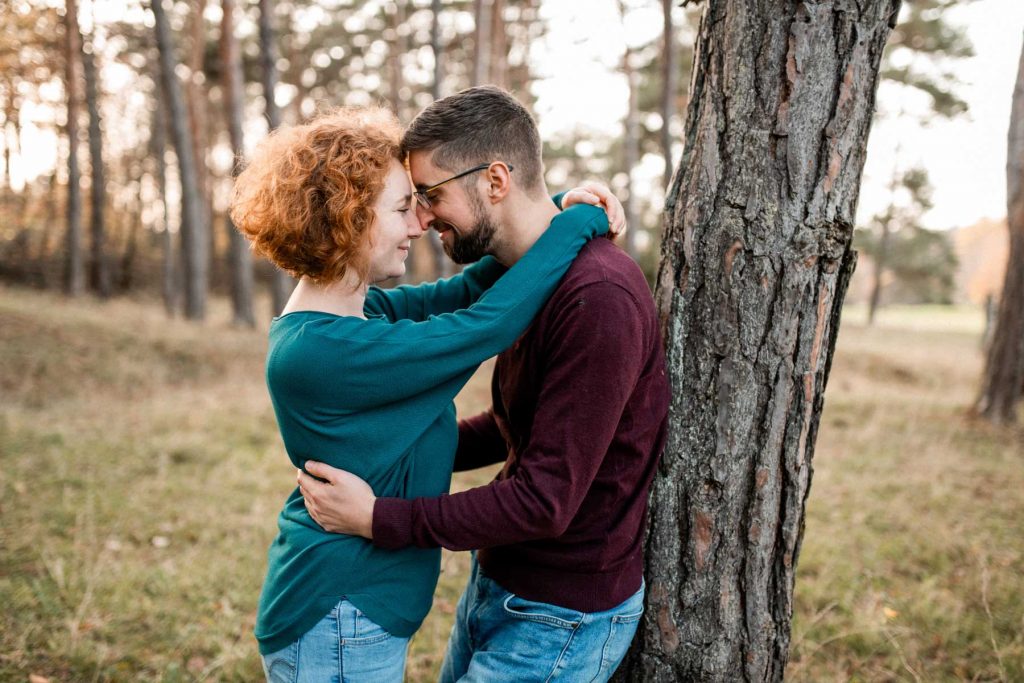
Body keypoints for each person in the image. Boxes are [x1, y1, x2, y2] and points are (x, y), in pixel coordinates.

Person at [229, 103, 623, 682]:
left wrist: (552, 208)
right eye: (399, 208)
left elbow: (467, 289)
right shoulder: (325, 353)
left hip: (354, 609)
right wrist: (580, 226)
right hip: (338, 610)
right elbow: (485, 324)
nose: (418, 225)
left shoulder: (360, 315)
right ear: (346, 219)